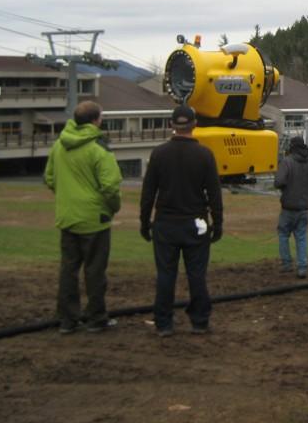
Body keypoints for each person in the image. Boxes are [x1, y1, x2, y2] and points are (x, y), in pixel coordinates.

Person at [140, 104, 223, 337]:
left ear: (171, 126)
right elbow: (214, 194)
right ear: (195, 124)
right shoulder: (205, 155)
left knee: (166, 275)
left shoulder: (158, 154)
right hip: (195, 224)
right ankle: (199, 321)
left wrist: (144, 222)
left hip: (165, 223)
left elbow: (148, 194)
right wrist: (218, 223)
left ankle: (164, 323)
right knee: (197, 274)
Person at [44, 100, 123, 334]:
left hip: (67, 217)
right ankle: (96, 317)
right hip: (93, 219)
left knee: (68, 270)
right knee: (95, 270)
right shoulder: (99, 148)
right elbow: (110, 186)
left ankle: (67, 319)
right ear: (95, 120)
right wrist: (112, 207)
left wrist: (67, 197)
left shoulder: (60, 145)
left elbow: (49, 177)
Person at [273, 136, 308, 278]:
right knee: (301, 236)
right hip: (305, 208)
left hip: (289, 206)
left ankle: (287, 264)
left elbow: (279, 182)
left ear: (292, 147)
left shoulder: (287, 162)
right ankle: (302, 267)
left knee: (283, 234)